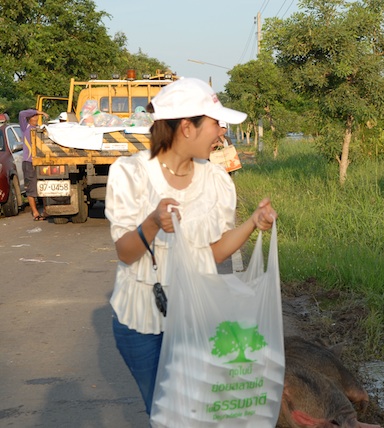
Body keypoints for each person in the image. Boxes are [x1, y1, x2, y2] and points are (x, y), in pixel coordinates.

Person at [104, 77, 277, 415]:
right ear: (186, 127)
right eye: (215, 123)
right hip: (142, 325)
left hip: (197, 319)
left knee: (200, 412)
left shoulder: (216, 181)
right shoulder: (131, 174)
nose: (221, 132)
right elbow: (126, 253)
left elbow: (213, 253)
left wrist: (253, 223)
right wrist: (153, 221)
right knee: (167, 414)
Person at [19, 108, 49, 220]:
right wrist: (40, 112)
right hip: (29, 162)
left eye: (37, 116)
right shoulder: (25, 127)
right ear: (29, 118)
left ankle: (46, 210)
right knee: (31, 188)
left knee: (45, 186)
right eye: (34, 116)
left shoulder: (39, 129)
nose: (36, 118)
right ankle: (35, 212)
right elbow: (21, 113)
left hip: (41, 163)